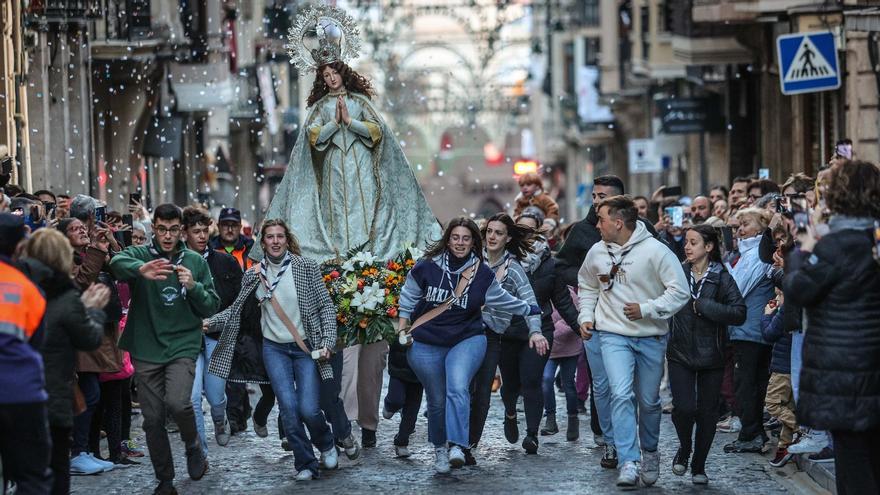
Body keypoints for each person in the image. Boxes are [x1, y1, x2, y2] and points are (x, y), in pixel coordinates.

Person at [259, 24, 440, 262]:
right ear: (322, 79)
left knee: (364, 210)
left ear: (342, 72)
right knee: (336, 212)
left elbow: (378, 131)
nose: (332, 78)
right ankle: (343, 258)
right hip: (333, 165)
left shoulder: (359, 101)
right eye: (326, 75)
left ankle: (364, 256)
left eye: (334, 73)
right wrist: (334, 124)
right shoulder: (321, 107)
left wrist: (350, 122)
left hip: (361, 163)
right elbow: (312, 137)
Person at [208, 219, 357, 481]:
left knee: (309, 408)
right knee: (288, 408)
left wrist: (327, 343)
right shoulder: (254, 275)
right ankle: (305, 464)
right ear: (262, 242)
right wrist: (210, 322)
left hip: (305, 349)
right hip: (274, 349)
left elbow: (325, 307)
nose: (275, 241)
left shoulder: (305, 267)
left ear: (287, 240)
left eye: (280, 236)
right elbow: (236, 311)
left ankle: (325, 443)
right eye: (269, 237)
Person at [397, 217, 541, 474]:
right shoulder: (427, 267)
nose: (460, 243)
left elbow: (501, 298)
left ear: (474, 241)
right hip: (428, 340)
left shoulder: (481, 273)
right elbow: (408, 296)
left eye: (466, 238)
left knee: (458, 387)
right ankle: (440, 448)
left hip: (467, 338)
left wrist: (528, 309)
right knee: (437, 399)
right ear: (448, 239)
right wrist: (402, 327)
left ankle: (458, 446)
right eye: (455, 237)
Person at [577, 196, 689, 489]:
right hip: (612, 334)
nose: (596, 225)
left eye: (601, 219)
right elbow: (587, 285)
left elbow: (680, 292)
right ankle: (629, 460)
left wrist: (647, 308)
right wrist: (586, 315)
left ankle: (650, 452)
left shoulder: (656, 251)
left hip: (650, 336)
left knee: (649, 402)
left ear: (618, 222)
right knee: (620, 393)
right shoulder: (596, 252)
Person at [783, 160, 880, 495]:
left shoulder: (832, 245)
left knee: (853, 464)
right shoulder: (873, 238)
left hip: (843, 370)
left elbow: (797, 288)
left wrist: (804, 245)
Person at [109, 203, 219, 495]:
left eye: (173, 230)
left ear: (181, 230)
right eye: (161, 229)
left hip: (183, 343)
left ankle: (193, 445)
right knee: (153, 419)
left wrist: (193, 286)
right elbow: (116, 263)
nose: (167, 236)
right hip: (147, 346)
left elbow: (212, 304)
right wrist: (139, 269)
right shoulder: (141, 254)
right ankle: (165, 479)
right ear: (153, 229)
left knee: (180, 403)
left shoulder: (194, 261)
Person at [21, 229, 110, 492]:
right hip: (52, 396)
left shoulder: (20, 289)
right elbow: (90, 338)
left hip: (18, 394)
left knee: (29, 473)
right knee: (56, 474)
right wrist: (92, 311)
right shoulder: (63, 296)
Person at [666, 224, 746, 484]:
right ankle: (685, 449)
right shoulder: (677, 272)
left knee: (707, 413)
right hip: (680, 352)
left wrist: (706, 305)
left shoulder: (721, 276)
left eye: (693, 242)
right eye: (686, 242)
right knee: (683, 408)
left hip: (712, 354)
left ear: (709, 247)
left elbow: (739, 312)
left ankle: (699, 465)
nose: (687, 247)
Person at [470, 212, 544, 459]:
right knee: (460, 387)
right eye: (489, 231)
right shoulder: (471, 261)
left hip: (492, 337)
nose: (492, 236)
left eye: (498, 233)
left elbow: (529, 301)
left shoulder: (513, 270)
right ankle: (454, 441)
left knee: (482, 391)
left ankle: (470, 444)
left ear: (508, 238)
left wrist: (535, 331)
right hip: (463, 332)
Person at [182, 206, 242, 454]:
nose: (202, 236)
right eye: (196, 231)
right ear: (185, 233)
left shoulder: (226, 262)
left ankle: (220, 420)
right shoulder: (178, 263)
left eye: (205, 231)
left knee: (216, 396)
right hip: (188, 338)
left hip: (217, 336)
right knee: (193, 399)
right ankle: (200, 454)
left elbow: (236, 302)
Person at [0, 213, 51, 494]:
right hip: (21, 392)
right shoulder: (28, 289)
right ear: (19, 247)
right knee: (32, 475)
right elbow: (37, 341)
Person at [722, 207, 774, 454]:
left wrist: (725, 268)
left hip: (750, 330)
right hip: (748, 329)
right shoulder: (747, 253)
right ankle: (754, 433)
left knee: (746, 384)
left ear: (760, 227)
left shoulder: (758, 255)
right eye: (738, 225)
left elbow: (737, 288)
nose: (740, 230)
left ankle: (751, 433)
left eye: (745, 224)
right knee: (752, 383)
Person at [208, 207, 253, 435]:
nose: (229, 229)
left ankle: (241, 410)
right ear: (218, 225)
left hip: (248, 312)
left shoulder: (250, 248)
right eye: (225, 224)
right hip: (221, 313)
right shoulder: (210, 249)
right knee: (229, 368)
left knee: (241, 366)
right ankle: (234, 416)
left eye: (233, 225)